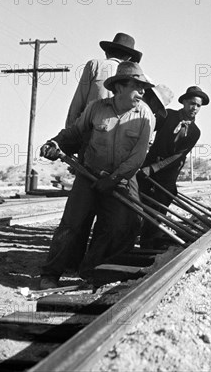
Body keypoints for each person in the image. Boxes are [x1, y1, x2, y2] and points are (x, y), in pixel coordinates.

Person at [39, 62, 156, 289]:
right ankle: (50, 274)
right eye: (137, 86)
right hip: (89, 172)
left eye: (144, 87)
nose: (143, 92)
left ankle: (92, 270)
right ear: (120, 87)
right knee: (71, 224)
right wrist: (55, 143)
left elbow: (138, 157)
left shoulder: (145, 115)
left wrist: (113, 179)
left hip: (122, 176)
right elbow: (74, 132)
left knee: (126, 224)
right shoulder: (96, 108)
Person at [139, 86, 209, 249]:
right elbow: (148, 129)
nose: (195, 108)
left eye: (198, 106)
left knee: (160, 204)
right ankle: (132, 236)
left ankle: (149, 244)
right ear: (184, 102)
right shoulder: (168, 115)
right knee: (139, 200)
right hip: (147, 164)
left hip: (168, 172)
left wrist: (154, 168)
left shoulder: (195, 132)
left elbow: (178, 156)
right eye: (192, 103)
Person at [65, 33, 143, 127]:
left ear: (107, 52)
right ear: (129, 58)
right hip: (119, 132)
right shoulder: (136, 77)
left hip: (90, 129)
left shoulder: (95, 65)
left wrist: (70, 131)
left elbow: (78, 103)